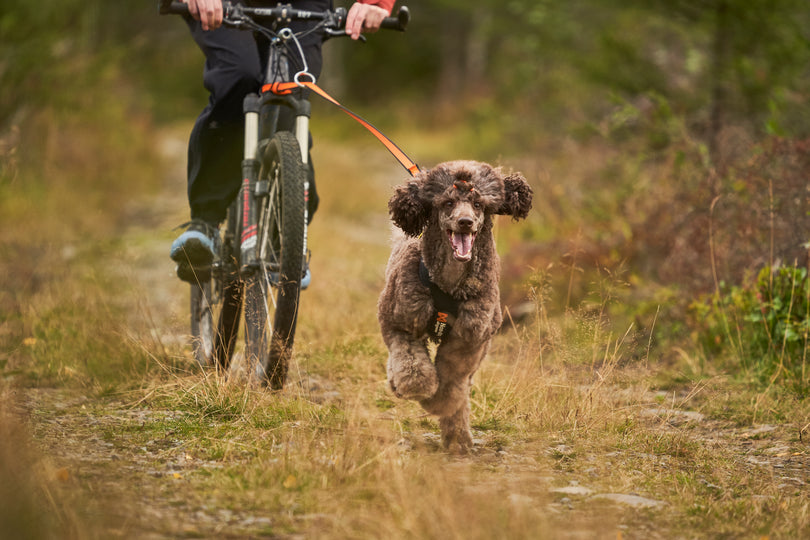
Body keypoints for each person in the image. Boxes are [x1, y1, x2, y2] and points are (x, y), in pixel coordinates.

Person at [171, 0, 396, 284]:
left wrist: (374, 4)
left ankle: (285, 240)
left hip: (304, 5)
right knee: (239, 77)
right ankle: (205, 221)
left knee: (292, 92)